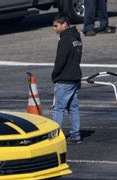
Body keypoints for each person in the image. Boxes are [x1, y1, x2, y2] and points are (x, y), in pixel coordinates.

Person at [52, 14, 83, 143]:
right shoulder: (76, 38)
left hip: (65, 79)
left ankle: (55, 136)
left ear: (65, 24)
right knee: (73, 107)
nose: (54, 29)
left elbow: (60, 61)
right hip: (75, 77)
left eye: (56, 26)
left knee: (58, 109)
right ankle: (76, 134)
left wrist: (55, 75)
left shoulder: (64, 40)